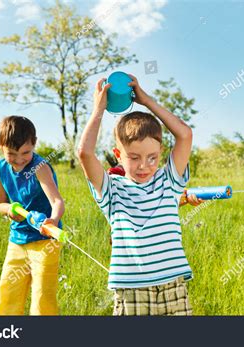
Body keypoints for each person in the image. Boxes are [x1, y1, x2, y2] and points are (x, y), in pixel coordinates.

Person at [78, 74, 194, 315]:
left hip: (173, 288)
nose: (144, 166)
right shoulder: (112, 189)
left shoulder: (168, 181)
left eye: (152, 157)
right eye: (134, 157)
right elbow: (85, 153)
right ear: (118, 155)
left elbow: (184, 134)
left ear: (161, 153)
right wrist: (98, 109)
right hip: (132, 293)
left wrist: (146, 101)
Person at [0, 116, 65, 315]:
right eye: (12, 154)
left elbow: (57, 201)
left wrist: (53, 221)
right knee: (7, 293)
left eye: (26, 152)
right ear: (1, 145)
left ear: (34, 144)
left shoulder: (40, 168)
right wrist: (9, 210)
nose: (20, 159)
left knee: (42, 297)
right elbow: (1, 204)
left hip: (45, 240)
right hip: (17, 239)